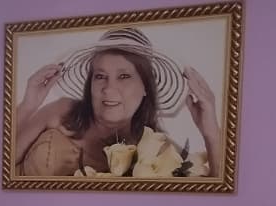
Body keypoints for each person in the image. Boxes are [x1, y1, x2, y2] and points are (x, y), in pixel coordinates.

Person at [14, 27, 221, 178]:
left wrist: (211, 134)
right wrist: (28, 105)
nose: (108, 89)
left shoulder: (159, 149)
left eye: (124, 76)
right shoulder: (63, 111)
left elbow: (209, 200)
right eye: (100, 76)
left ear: (146, 87)